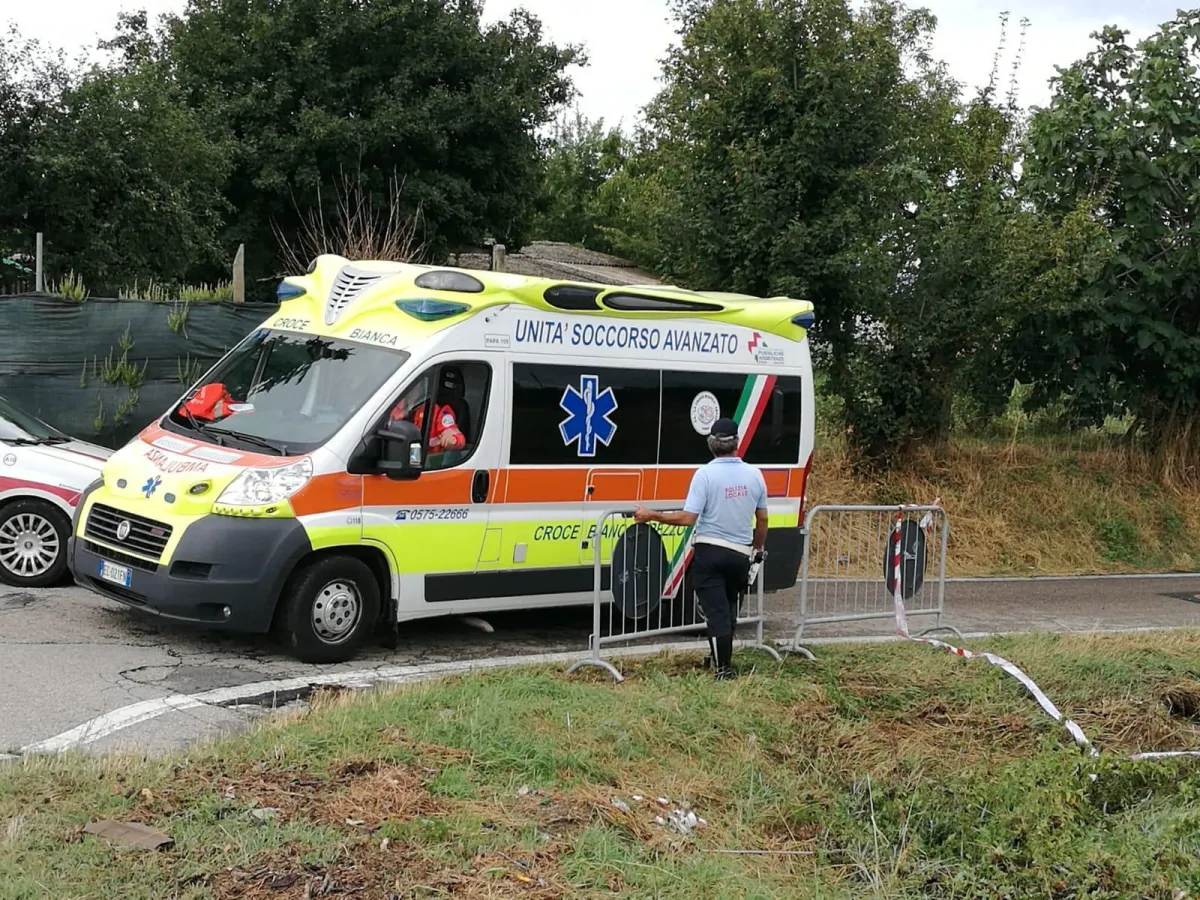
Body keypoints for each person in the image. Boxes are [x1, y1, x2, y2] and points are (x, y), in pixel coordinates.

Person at [633, 418, 767, 680]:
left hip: (710, 552)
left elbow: (687, 518)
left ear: (711, 444)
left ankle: (723, 670)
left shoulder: (704, 475)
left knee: (716, 612)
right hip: (741, 553)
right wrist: (758, 548)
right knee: (729, 609)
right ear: (737, 443)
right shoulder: (755, 475)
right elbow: (762, 519)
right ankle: (720, 658)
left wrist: (652, 515)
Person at [389, 369, 466, 452]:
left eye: (416, 385)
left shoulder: (437, 411)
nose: (411, 389)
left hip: (426, 460)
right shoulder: (392, 405)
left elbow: (458, 438)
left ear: (423, 387)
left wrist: (452, 439)